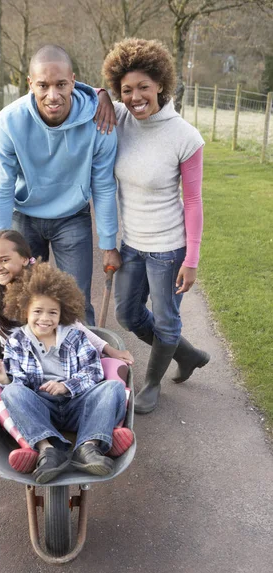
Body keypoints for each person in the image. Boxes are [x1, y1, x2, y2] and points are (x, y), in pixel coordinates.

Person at [97, 38, 210, 414]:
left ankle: (152, 383)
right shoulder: (118, 117)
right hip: (132, 244)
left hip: (169, 249)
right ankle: (188, 352)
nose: (135, 97)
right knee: (128, 314)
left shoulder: (185, 137)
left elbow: (193, 201)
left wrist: (191, 259)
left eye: (143, 87)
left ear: (160, 84)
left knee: (165, 318)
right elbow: (76, 91)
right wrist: (99, 93)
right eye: (125, 89)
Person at [0, 44, 121, 325]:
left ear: (74, 80)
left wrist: (109, 244)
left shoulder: (100, 122)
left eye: (61, 84)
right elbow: (1, 189)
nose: (53, 95)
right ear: (30, 84)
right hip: (25, 217)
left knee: (76, 300)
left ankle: (84, 365)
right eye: (43, 85)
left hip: (72, 218)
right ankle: (27, 364)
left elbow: (104, 186)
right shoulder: (9, 122)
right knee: (21, 299)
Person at [0, 261, 129, 484]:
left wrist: (67, 386)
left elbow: (94, 370)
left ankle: (87, 448)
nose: (45, 318)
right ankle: (49, 450)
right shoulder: (17, 341)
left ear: (62, 313)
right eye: (38, 311)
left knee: (113, 387)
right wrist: (4, 378)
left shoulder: (74, 336)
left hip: (77, 404)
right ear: (25, 310)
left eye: (53, 312)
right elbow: (20, 382)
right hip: (42, 408)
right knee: (11, 392)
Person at [0, 229, 134, 410]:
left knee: (114, 367)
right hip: (23, 370)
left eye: (4, 260)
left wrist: (108, 349)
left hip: (63, 363)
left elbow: (74, 326)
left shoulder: (43, 288)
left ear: (24, 259)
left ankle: (112, 420)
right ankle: (18, 426)